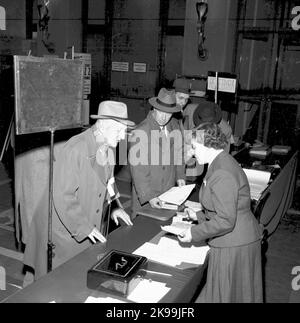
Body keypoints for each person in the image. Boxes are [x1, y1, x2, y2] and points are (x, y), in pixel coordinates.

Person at [23, 101, 134, 284]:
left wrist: (115, 206)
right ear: (103, 126)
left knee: (75, 277)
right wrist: (85, 227)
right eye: (119, 130)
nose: (122, 137)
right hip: (62, 229)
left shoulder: (109, 150)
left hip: (82, 222)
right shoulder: (76, 148)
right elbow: (62, 195)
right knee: (53, 283)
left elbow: (108, 184)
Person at [178, 122, 263, 303]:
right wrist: (199, 216)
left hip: (234, 243)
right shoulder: (220, 161)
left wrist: (194, 233)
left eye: (194, 147)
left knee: (225, 295)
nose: (192, 152)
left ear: (207, 145)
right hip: (238, 238)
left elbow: (225, 220)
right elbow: (222, 208)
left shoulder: (222, 171)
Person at [129, 88, 186, 218]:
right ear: (154, 108)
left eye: (168, 113)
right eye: (161, 112)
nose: (164, 117)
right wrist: (149, 196)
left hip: (168, 193)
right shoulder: (141, 131)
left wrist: (180, 176)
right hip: (148, 197)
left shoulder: (175, 127)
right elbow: (138, 170)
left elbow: (179, 154)